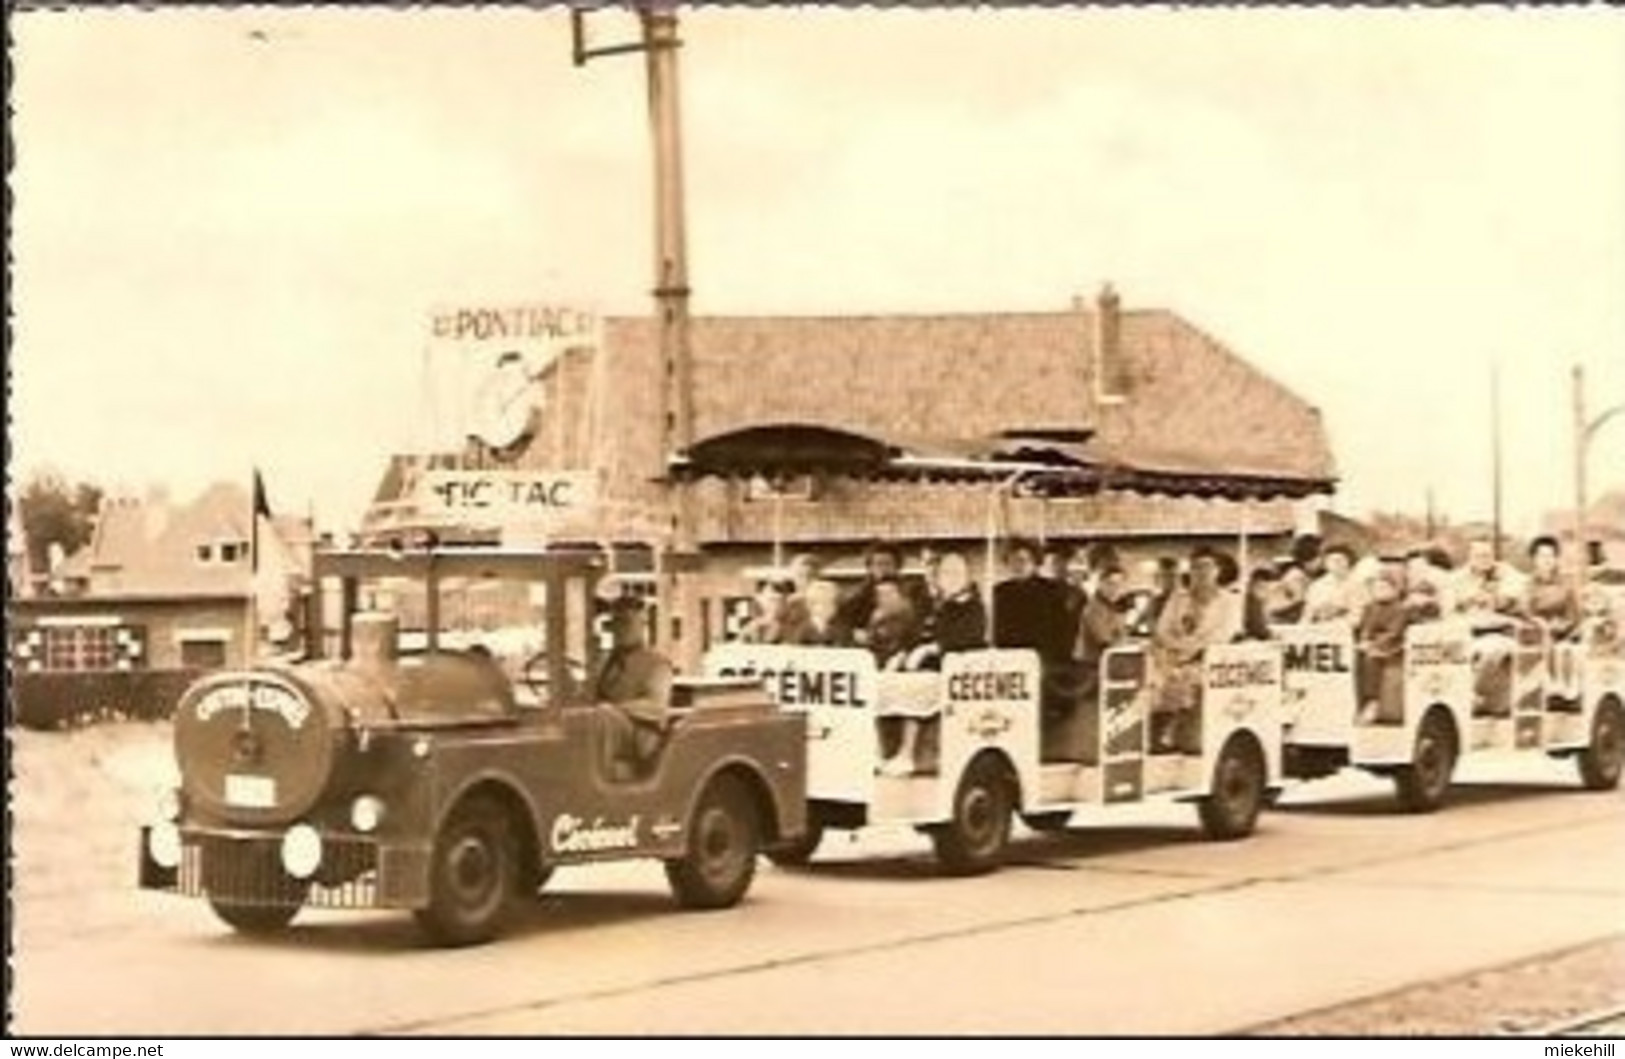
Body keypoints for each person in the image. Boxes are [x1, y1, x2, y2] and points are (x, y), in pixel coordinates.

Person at [1151, 546, 1241, 751]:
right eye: (1195, 568)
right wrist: (1177, 647)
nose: (1201, 573)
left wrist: (1192, 649)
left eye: (1206, 567)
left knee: (1185, 678)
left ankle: (1171, 731)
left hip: (1210, 660)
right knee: (1153, 676)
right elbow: (1162, 629)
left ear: (1217, 571)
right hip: (1172, 656)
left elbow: (1222, 635)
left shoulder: (1228, 602)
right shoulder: (1178, 598)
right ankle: (1152, 732)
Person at [595, 598, 673, 775]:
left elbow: (656, 706)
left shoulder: (656, 664)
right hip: (608, 724)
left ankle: (601, 779)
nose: (619, 630)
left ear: (641, 626)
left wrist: (615, 709)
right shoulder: (605, 661)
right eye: (615, 623)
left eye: (626, 623)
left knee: (602, 718)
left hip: (640, 732)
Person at [992, 538, 1071, 664]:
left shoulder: (1051, 591)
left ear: (1035, 562)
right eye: (1013, 561)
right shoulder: (999, 592)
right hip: (1012, 660)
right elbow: (997, 631)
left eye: (1023, 560)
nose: (1018, 565)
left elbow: (1061, 630)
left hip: (1045, 659)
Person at [1355, 561, 1410, 724]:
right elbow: (1365, 629)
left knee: (1372, 658)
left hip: (1394, 647)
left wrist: (1375, 645)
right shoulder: (1369, 608)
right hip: (1372, 644)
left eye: (1385, 587)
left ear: (1395, 589)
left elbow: (1394, 633)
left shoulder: (1400, 609)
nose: (1380, 591)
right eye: (1377, 587)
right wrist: (1364, 641)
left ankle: (1373, 701)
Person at [1075, 564, 1131, 702]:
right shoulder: (1094, 608)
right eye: (1110, 584)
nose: (1114, 589)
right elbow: (1105, 641)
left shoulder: (1115, 608)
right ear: (1100, 584)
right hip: (1091, 672)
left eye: (1119, 585)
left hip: (1107, 668)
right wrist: (1126, 644)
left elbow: (1121, 635)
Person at [837, 541, 904, 638]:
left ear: (897, 566)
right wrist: (855, 633)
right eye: (879, 564)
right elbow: (843, 625)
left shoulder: (910, 594)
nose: (884, 569)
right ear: (870, 568)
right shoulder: (858, 598)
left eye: (888, 564)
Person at [929, 551, 988, 657]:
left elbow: (962, 641)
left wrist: (931, 648)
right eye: (946, 572)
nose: (952, 578)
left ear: (967, 577)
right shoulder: (939, 605)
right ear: (938, 578)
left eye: (958, 573)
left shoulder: (974, 607)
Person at [1523, 535, 1581, 641]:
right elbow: (1526, 613)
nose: (1547, 560)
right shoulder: (1527, 585)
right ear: (1534, 559)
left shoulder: (1567, 584)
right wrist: (1540, 623)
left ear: (1556, 559)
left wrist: (1562, 625)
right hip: (1536, 636)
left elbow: (1574, 615)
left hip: (1565, 636)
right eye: (1542, 556)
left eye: (1551, 555)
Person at [866, 577, 920, 670]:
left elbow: (910, 642)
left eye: (889, 594)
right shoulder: (876, 616)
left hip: (904, 662)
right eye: (880, 594)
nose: (884, 598)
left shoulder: (908, 614)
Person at [1040, 540, 1086, 649]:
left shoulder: (1076, 593)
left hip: (1068, 647)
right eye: (1052, 562)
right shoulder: (1037, 590)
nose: (1057, 566)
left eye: (1061, 561)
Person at [1305, 544, 1368, 623]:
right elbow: (1308, 613)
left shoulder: (1358, 584)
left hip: (1345, 627)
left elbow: (1358, 613)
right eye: (1331, 560)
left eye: (1340, 560)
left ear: (1349, 562)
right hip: (1318, 627)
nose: (1337, 564)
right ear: (1325, 564)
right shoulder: (1317, 585)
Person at [785, 578, 852, 646]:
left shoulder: (842, 629)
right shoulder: (800, 629)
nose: (831, 608)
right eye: (825, 604)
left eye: (832, 603)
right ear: (811, 606)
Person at [742, 577, 794, 644]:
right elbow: (754, 615)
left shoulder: (782, 600)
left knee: (775, 627)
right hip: (763, 624)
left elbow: (782, 615)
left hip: (776, 625)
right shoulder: (758, 601)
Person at [1236, 566, 1279, 642]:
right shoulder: (1246, 601)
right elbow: (1256, 629)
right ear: (1250, 584)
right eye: (1261, 587)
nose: (1265, 592)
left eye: (1267, 589)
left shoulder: (1258, 601)